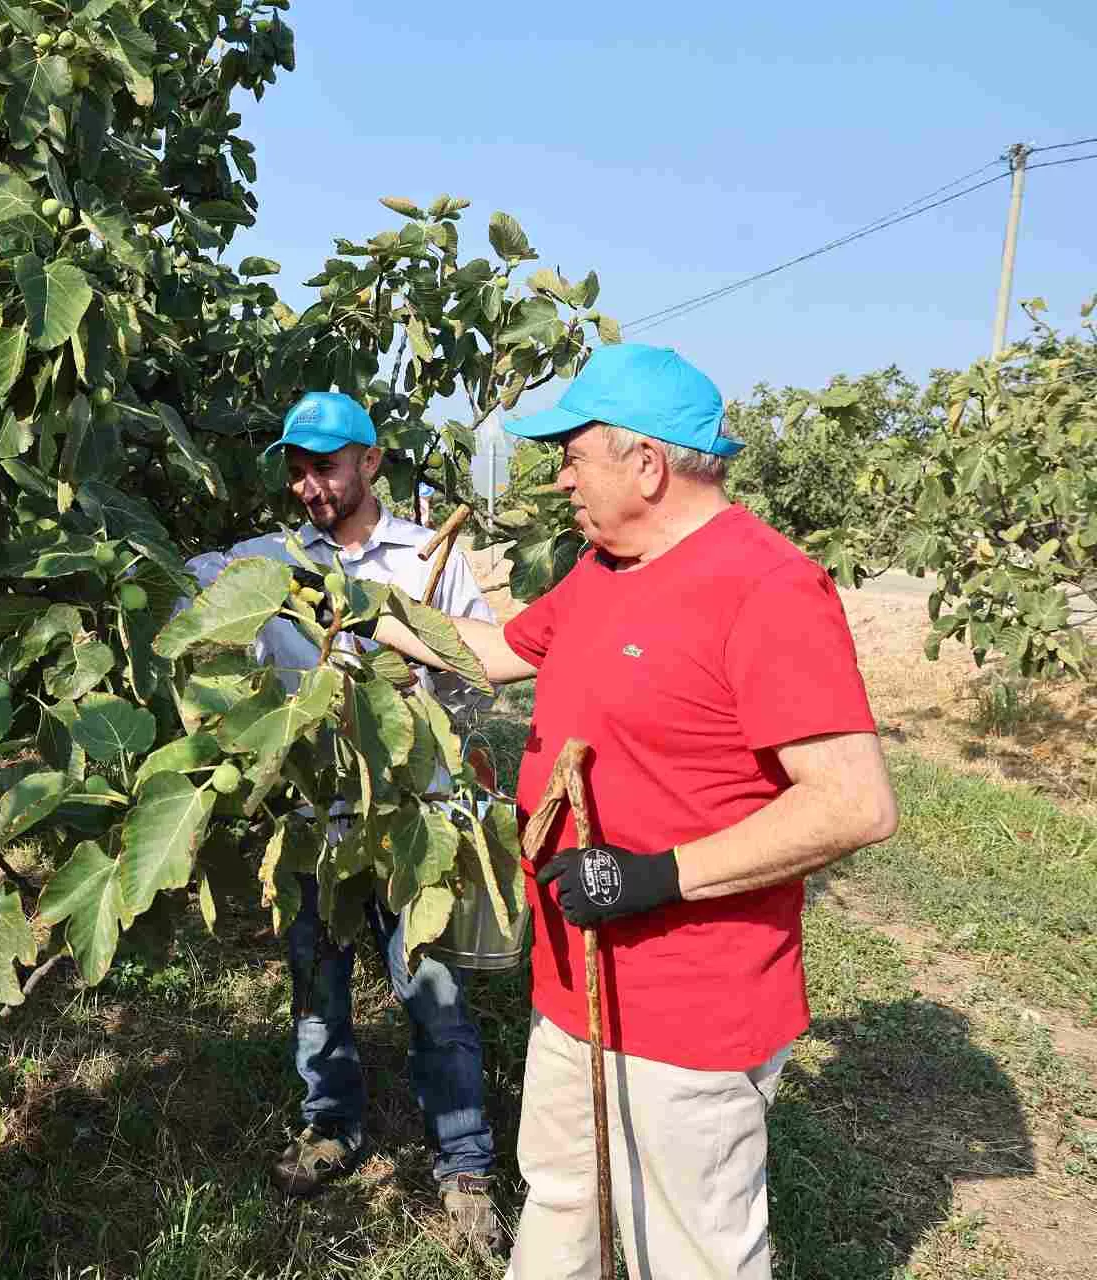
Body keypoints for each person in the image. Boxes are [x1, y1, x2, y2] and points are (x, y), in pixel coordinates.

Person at [430, 344, 898, 1280]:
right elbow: (491, 654)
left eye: (574, 456)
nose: (560, 478)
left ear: (645, 465)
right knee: (562, 1194)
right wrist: (370, 613)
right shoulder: (606, 570)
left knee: (685, 1247)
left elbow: (853, 803)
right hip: (576, 980)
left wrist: (656, 875)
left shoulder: (765, 587)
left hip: (689, 999)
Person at [184, 391, 506, 1256]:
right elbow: (196, 582)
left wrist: (423, 673)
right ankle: (332, 1129)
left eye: (324, 467)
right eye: (296, 471)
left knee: (434, 994)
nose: (310, 487)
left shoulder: (429, 559)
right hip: (313, 821)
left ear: (370, 462)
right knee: (317, 991)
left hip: (412, 818)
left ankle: (465, 1165)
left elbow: (482, 678)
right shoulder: (275, 560)